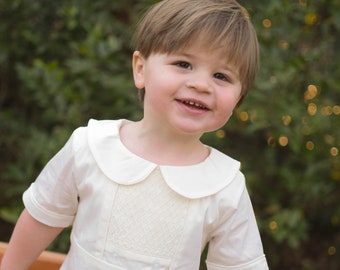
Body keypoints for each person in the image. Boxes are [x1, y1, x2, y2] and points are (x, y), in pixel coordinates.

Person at [0, 0, 269, 269]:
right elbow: (41, 218)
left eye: (221, 76)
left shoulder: (225, 185)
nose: (201, 84)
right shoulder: (91, 146)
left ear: (239, 98)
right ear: (140, 69)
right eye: (183, 64)